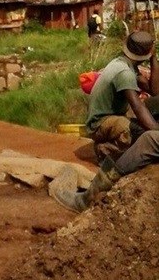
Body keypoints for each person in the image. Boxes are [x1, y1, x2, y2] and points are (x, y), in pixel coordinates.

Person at [54, 31, 159, 212]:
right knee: (140, 134)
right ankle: (108, 152)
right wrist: (154, 130)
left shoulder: (126, 64)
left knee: (152, 111)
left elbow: (154, 91)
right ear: (145, 53)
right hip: (101, 123)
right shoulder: (124, 72)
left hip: (114, 117)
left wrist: (153, 59)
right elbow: (138, 107)